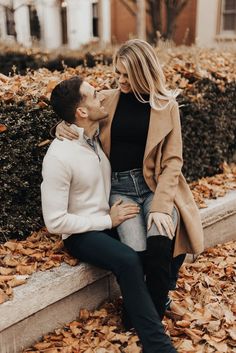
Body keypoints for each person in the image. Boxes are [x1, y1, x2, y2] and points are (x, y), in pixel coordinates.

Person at [55, 39, 204, 322]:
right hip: (120, 190)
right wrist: (62, 125)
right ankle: (145, 313)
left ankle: (150, 321)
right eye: (117, 73)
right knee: (136, 255)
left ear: (142, 72)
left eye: (126, 74)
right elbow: (79, 114)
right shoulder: (108, 99)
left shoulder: (166, 106)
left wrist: (161, 205)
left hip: (154, 188)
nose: (120, 80)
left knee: (160, 244)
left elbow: (173, 160)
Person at [42, 76, 178, 353]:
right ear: (81, 112)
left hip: (110, 216)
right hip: (83, 233)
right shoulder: (59, 156)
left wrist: (62, 124)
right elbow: (55, 221)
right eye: (93, 95)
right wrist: (107, 221)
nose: (101, 97)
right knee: (128, 260)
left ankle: (153, 302)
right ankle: (158, 344)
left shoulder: (93, 137)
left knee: (166, 233)